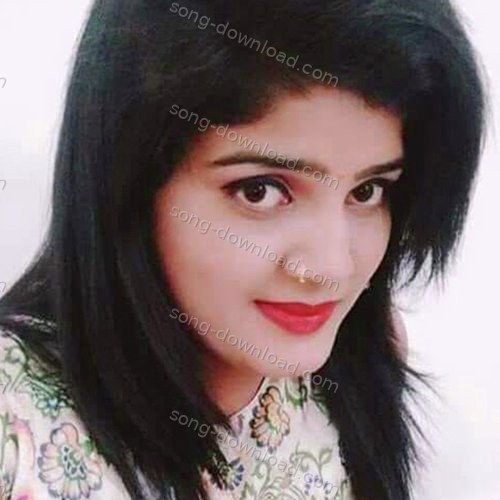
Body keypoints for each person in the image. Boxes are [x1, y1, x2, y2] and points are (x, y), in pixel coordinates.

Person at [0, 0, 485, 499]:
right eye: (261, 191)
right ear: (129, 180)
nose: (332, 268)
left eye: (367, 191)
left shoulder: (361, 350)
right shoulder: (14, 420)